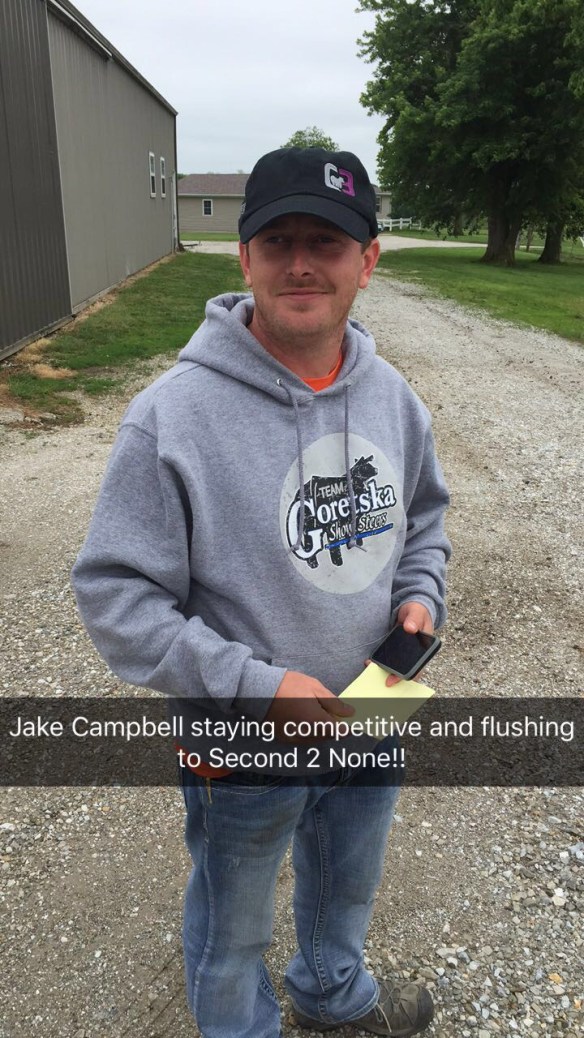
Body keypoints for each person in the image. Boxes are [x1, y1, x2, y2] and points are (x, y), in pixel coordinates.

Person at [72, 146, 450, 1038]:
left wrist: (421, 594)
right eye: (278, 242)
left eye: (327, 242)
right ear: (245, 258)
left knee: (347, 884)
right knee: (232, 929)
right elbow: (116, 597)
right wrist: (254, 686)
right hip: (243, 741)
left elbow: (424, 519)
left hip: (374, 703)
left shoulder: (394, 398)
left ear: (368, 260)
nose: (301, 264)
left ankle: (330, 990)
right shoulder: (172, 416)